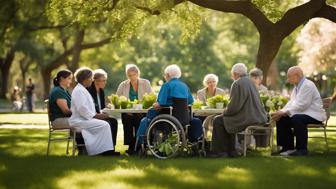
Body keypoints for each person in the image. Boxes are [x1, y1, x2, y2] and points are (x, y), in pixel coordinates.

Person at [209, 63, 268, 158]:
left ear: (236, 74)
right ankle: (232, 151)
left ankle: (221, 152)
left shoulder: (238, 83)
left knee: (218, 120)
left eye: (232, 74)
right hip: (258, 116)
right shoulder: (250, 82)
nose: (232, 76)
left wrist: (225, 112)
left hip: (249, 118)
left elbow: (234, 107)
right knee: (226, 120)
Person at [136, 64, 203, 146]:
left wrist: (154, 104)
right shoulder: (184, 86)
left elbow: (160, 103)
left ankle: (140, 143)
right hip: (184, 118)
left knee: (145, 120)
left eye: (165, 75)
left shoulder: (166, 85)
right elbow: (190, 102)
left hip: (168, 117)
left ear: (168, 75)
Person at [271, 66, 327, 156]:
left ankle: (302, 149)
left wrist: (284, 112)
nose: (287, 79)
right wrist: (280, 112)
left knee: (297, 118)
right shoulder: (297, 87)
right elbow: (291, 103)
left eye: (289, 76)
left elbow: (302, 105)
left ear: (296, 76)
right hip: (304, 113)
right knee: (282, 119)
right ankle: (287, 148)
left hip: (315, 115)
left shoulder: (307, 85)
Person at [69, 67, 118, 156]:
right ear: (85, 79)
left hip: (85, 118)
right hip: (79, 120)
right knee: (105, 124)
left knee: (107, 123)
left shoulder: (82, 89)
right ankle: (105, 151)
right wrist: (96, 116)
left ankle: (106, 150)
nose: (92, 80)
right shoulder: (79, 90)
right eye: (91, 78)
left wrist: (99, 115)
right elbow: (82, 109)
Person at [116, 64, 153, 155]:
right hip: (128, 112)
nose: (132, 77)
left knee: (139, 119)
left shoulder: (145, 82)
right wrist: (124, 107)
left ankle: (139, 145)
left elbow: (152, 97)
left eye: (133, 75)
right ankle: (130, 146)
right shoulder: (123, 85)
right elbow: (117, 99)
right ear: (127, 75)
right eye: (129, 75)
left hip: (142, 111)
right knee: (127, 118)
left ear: (138, 74)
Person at [49, 70, 86, 155]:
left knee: (87, 121)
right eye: (69, 78)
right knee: (86, 123)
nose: (71, 81)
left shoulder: (64, 91)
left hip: (66, 119)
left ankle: (83, 149)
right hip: (58, 121)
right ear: (62, 78)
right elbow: (65, 111)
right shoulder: (58, 91)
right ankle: (82, 150)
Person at [87, 69, 119, 155]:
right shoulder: (89, 91)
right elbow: (92, 107)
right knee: (111, 122)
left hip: (98, 114)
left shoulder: (101, 91)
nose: (105, 82)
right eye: (103, 81)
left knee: (113, 121)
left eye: (105, 80)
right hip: (92, 116)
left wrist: (108, 107)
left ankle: (111, 148)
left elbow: (101, 107)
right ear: (96, 81)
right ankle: (107, 150)